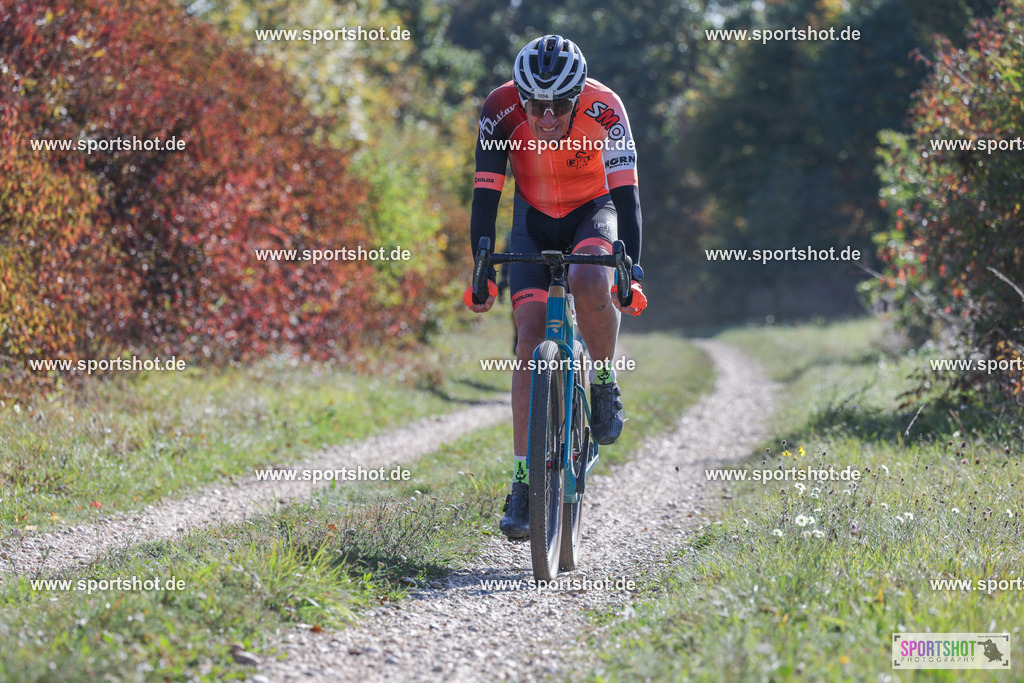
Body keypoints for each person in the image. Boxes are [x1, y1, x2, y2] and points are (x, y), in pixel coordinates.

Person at [463, 34, 647, 539]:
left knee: (591, 278)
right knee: (527, 338)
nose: (546, 117)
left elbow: (627, 196)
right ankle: (523, 482)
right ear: (521, 97)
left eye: (559, 106)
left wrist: (631, 269)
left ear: (578, 96)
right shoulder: (500, 110)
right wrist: (482, 269)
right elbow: (486, 195)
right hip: (532, 218)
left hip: (594, 212)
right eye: (536, 105)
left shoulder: (606, 109)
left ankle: (604, 381)